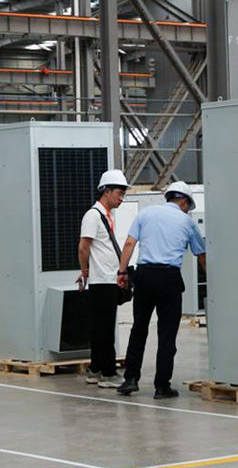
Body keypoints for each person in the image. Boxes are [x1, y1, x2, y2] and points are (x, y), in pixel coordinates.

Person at [116, 181, 206, 399]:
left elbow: (129, 244)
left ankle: (131, 379)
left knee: (139, 329)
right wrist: (212, 278)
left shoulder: (146, 213)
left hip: (144, 276)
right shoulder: (187, 222)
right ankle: (162, 386)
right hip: (169, 278)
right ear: (184, 202)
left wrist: (122, 272)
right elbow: (200, 254)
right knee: (167, 334)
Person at [78, 169, 130, 389]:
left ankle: (96, 369)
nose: (121, 198)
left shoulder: (106, 216)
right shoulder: (93, 216)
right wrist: (85, 271)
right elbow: (83, 247)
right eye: (119, 193)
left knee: (101, 328)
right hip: (102, 281)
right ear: (106, 191)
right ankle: (108, 373)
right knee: (105, 329)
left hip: (107, 279)